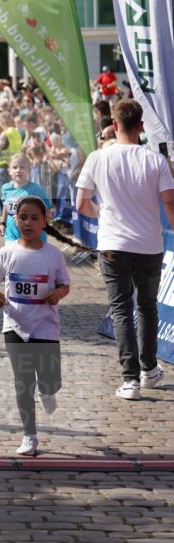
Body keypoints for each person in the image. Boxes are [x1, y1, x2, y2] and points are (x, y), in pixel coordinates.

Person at [76, 98, 174, 399]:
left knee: (121, 309)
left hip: (112, 244)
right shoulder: (155, 160)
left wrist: (101, 214)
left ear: (114, 124)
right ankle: (148, 370)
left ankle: (130, 379)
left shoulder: (97, 158)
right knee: (147, 306)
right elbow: (170, 203)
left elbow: (81, 203)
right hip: (149, 244)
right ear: (141, 126)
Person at [0, 197, 71, 456]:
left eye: (34, 218)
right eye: (23, 217)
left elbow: (65, 285)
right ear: (15, 220)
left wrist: (57, 294)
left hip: (45, 326)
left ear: (44, 221)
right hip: (15, 325)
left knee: (50, 382)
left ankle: (48, 391)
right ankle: (29, 435)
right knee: (23, 382)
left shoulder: (53, 255)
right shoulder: (7, 252)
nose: (28, 223)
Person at [0, 153, 52, 243]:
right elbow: (6, 207)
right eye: (15, 167)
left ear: (29, 171)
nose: (18, 170)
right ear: (9, 171)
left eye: (22, 167)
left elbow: (49, 211)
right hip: (11, 237)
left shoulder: (36, 190)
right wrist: (2, 223)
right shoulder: (5, 188)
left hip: (33, 239)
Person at [0, 112, 23, 192]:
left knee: (3, 194)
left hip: (4, 168)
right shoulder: (17, 133)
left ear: (1, 122)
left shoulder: (5, 134)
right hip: (15, 167)